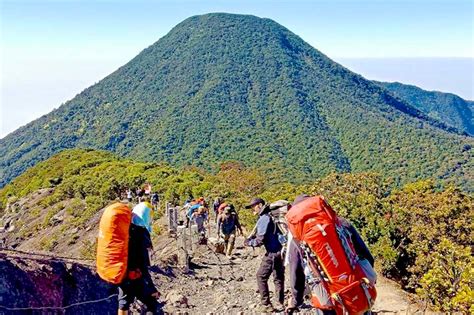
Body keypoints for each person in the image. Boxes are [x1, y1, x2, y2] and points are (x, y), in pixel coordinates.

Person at [285, 194, 375, 315]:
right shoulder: (341, 223)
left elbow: (296, 271)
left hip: (328, 298)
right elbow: (366, 255)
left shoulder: (297, 239)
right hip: (356, 289)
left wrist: (296, 300)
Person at [118, 202, 160, 315]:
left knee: (123, 303)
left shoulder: (126, 229)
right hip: (135, 275)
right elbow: (143, 264)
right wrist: (152, 288)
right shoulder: (141, 234)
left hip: (122, 272)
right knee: (151, 303)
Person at [244, 198, 285, 312]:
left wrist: (249, 242)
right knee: (278, 277)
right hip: (281, 251)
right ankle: (280, 302)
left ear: (260, 205)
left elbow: (259, 240)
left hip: (272, 253)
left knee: (261, 276)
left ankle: (266, 305)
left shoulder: (264, 218)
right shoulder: (271, 216)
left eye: (254, 206)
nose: (253, 208)